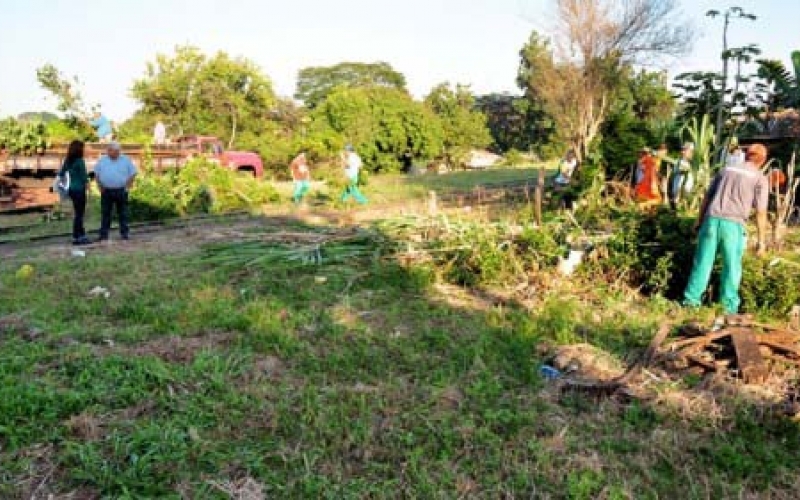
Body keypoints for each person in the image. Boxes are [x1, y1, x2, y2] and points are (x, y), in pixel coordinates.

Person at [682, 144, 770, 315]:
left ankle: (690, 302)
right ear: (763, 160)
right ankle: (728, 308)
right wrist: (761, 241)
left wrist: (698, 221)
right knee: (731, 267)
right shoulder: (759, 178)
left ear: (746, 155)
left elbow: (707, 197)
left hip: (711, 220)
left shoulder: (726, 169)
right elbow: (761, 212)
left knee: (702, 263)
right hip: (733, 225)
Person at [94, 142, 137, 241]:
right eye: (113, 151)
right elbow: (96, 173)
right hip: (106, 190)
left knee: (123, 213)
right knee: (105, 213)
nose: (116, 153)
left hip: (121, 190)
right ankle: (104, 235)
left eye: (117, 151)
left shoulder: (126, 160)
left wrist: (128, 186)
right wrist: (99, 186)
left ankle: (124, 233)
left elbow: (133, 173)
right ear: (108, 151)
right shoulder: (102, 160)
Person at [58, 140, 91, 245]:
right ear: (79, 149)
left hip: (71, 189)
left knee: (77, 213)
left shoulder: (67, 160)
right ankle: (78, 236)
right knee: (80, 214)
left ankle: (80, 234)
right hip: (79, 189)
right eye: (83, 148)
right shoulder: (80, 161)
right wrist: (89, 189)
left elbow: (61, 173)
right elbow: (84, 176)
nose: (84, 150)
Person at [668, 142, 695, 210]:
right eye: (682, 150)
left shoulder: (695, 164)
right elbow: (676, 172)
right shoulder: (679, 161)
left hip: (689, 191)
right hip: (679, 190)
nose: (682, 152)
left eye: (685, 150)